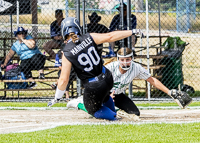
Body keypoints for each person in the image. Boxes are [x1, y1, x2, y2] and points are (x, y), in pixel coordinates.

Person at [47, 17, 143, 120]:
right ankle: (113, 113)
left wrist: (57, 97)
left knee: (93, 110)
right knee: (105, 97)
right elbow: (110, 36)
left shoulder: (66, 52)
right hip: (107, 76)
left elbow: (63, 80)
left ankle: (83, 104)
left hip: (94, 85)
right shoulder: (89, 37)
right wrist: (132, 31)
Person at [67, 47, 193, 118]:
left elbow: (152, 80)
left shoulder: (136, 67)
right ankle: (79, 103)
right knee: (106, 114)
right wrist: (105, 94)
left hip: (118, 94)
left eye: (128, 59)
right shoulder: (110, 68)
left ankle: (109, 107)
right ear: (118, 59)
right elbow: (95, 83)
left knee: (135, 114)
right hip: (102, 93)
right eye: (122, 60)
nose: (125, 62)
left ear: (132, 58)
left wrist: (169, 91)